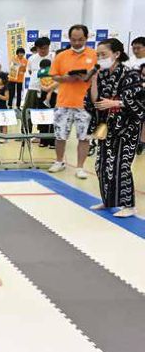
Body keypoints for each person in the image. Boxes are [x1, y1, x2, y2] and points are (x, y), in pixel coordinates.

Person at [86, 38, 144, 218]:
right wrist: (93, 80)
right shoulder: (102, 75)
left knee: (121, 166)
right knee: (102, 164)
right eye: (98, 55)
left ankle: (129, 205)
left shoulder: (131, 74)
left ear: (117, 54)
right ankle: (108, 201)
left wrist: (116, 102)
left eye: (103, 54)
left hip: (127, 128)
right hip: (106, 127)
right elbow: (94, 101)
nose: (100, 58)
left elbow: (140, 101)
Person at [48, 25, 98, 178]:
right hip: (63, 102)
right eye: (73, 40)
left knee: (84, 137)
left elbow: (100, 76)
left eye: (80, 40)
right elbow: (53, 75)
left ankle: (80, 167)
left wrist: (88, 77)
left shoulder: (94, 55)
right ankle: (59, 161)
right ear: (69, 39)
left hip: (85, 104)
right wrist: (65, 78)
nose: (77, 43)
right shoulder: (61, 56)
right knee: (60, 135)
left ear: (86, 38)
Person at [24, 38, 54, 136]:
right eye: (41, 48)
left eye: (45, 48)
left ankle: (42, 135)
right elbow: (30, 71)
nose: (43, 50)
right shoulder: (32, 58)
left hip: (49, 89)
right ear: (36, 48)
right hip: (33, 87)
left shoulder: (53, 57)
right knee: (28, 110)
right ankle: (25, 133)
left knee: (44, 112)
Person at [128, 37, 145, 155]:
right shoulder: (130, 61)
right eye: (133, 48)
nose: (135, 51)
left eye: (138, 48)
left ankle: (142, 142)